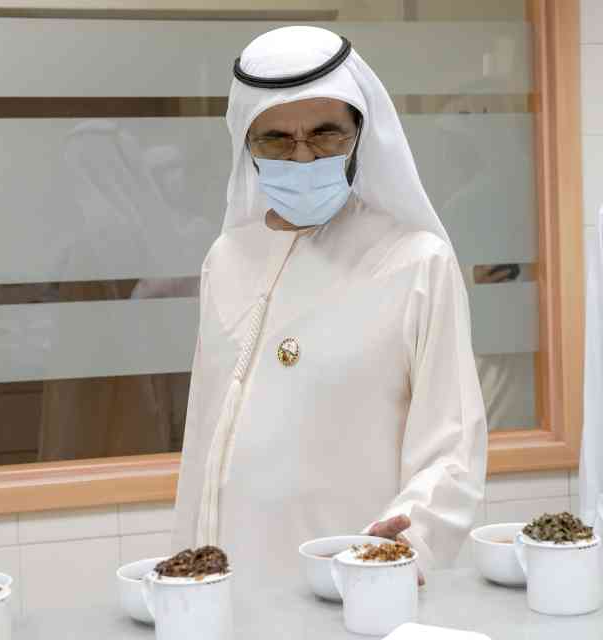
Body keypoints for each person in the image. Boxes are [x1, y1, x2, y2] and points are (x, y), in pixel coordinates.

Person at [170, 26, 487, 593]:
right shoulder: (227, 259)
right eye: (276, 140)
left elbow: (452, 444)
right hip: (228, 582)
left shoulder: (416, 262)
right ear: (247, 146)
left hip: (351, 579)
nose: (302, 155)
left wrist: (404, 539)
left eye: (324, 134)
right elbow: (203, 437)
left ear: (359, 137)